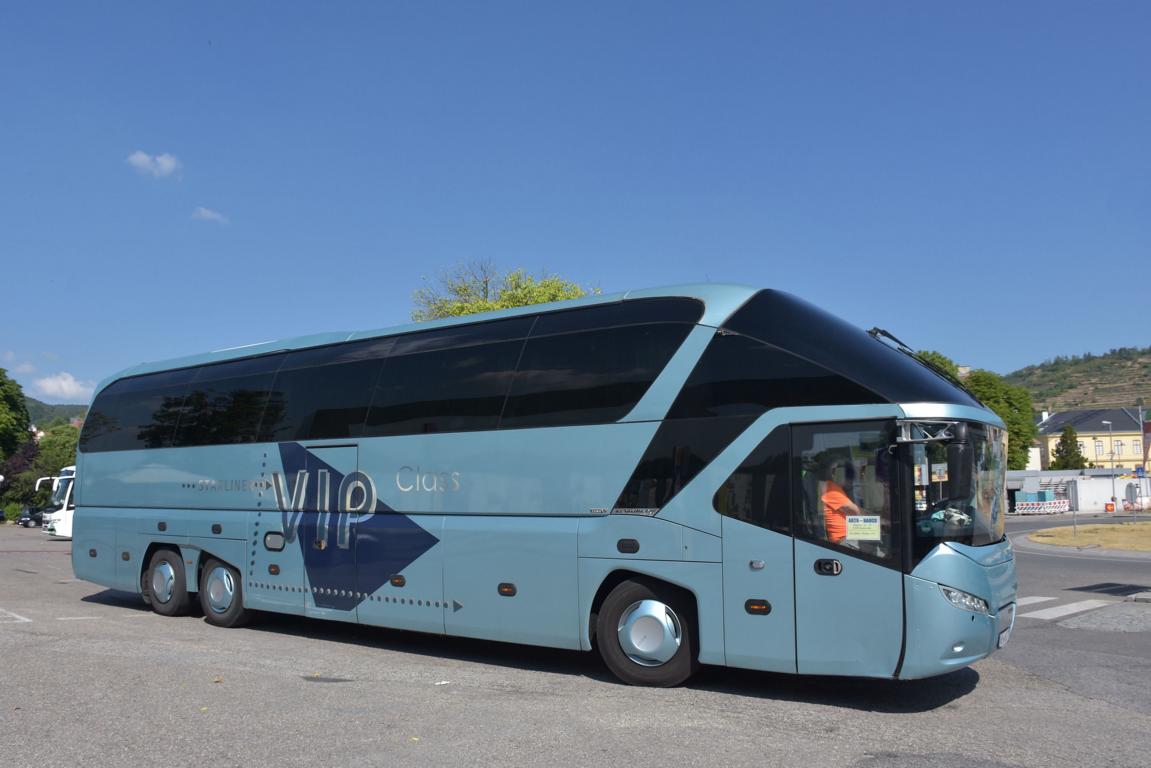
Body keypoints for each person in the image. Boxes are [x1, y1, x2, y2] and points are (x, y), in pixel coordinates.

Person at [820, 457, 863, 544]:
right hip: (845, 539)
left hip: (849, 533)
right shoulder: (831, 489)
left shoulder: (834, 488)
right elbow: (855, 511)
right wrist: (880, 521)